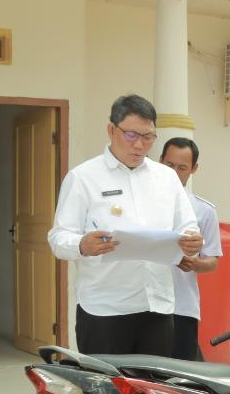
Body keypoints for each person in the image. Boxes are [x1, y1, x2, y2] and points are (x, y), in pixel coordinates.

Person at [47, 95, 201, 362]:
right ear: (111, 130)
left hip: (157, 307)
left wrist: (191, 242)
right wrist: (83, 244)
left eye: (148, 137)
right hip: (104, 310)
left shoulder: (166, 178)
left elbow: (188, 226)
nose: (140, 145)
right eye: (131, 135)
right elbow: (58, 238)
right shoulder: (83, 178)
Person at [160, 137, 221, 361]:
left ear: (194, 169)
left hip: (182, 307)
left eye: (182, 167)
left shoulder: (204, 211)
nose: (174, 172)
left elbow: (212, 260)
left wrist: (195, 264)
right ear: (159, 162)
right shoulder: (143, 206)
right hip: (143, 305)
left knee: (180, 379)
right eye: (169, 165)